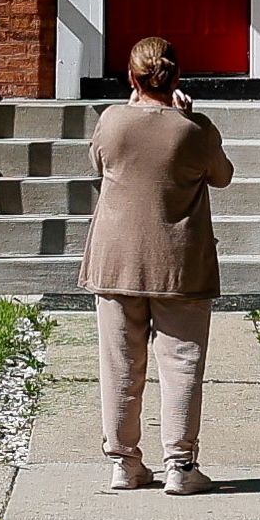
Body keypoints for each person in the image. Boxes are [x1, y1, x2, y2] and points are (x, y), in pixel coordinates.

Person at [86, 35, 232, 494]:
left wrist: (136, 106)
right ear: (177, 78)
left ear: (132, 77)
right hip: (179, 264)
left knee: (120, 364)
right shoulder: (196, 129)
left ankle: (124, 462)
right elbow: (223, 176)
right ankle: (180, 466)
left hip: (116, 261)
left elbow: (99, 164)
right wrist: (183, 117)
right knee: (182, 363)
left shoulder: (111, 122)